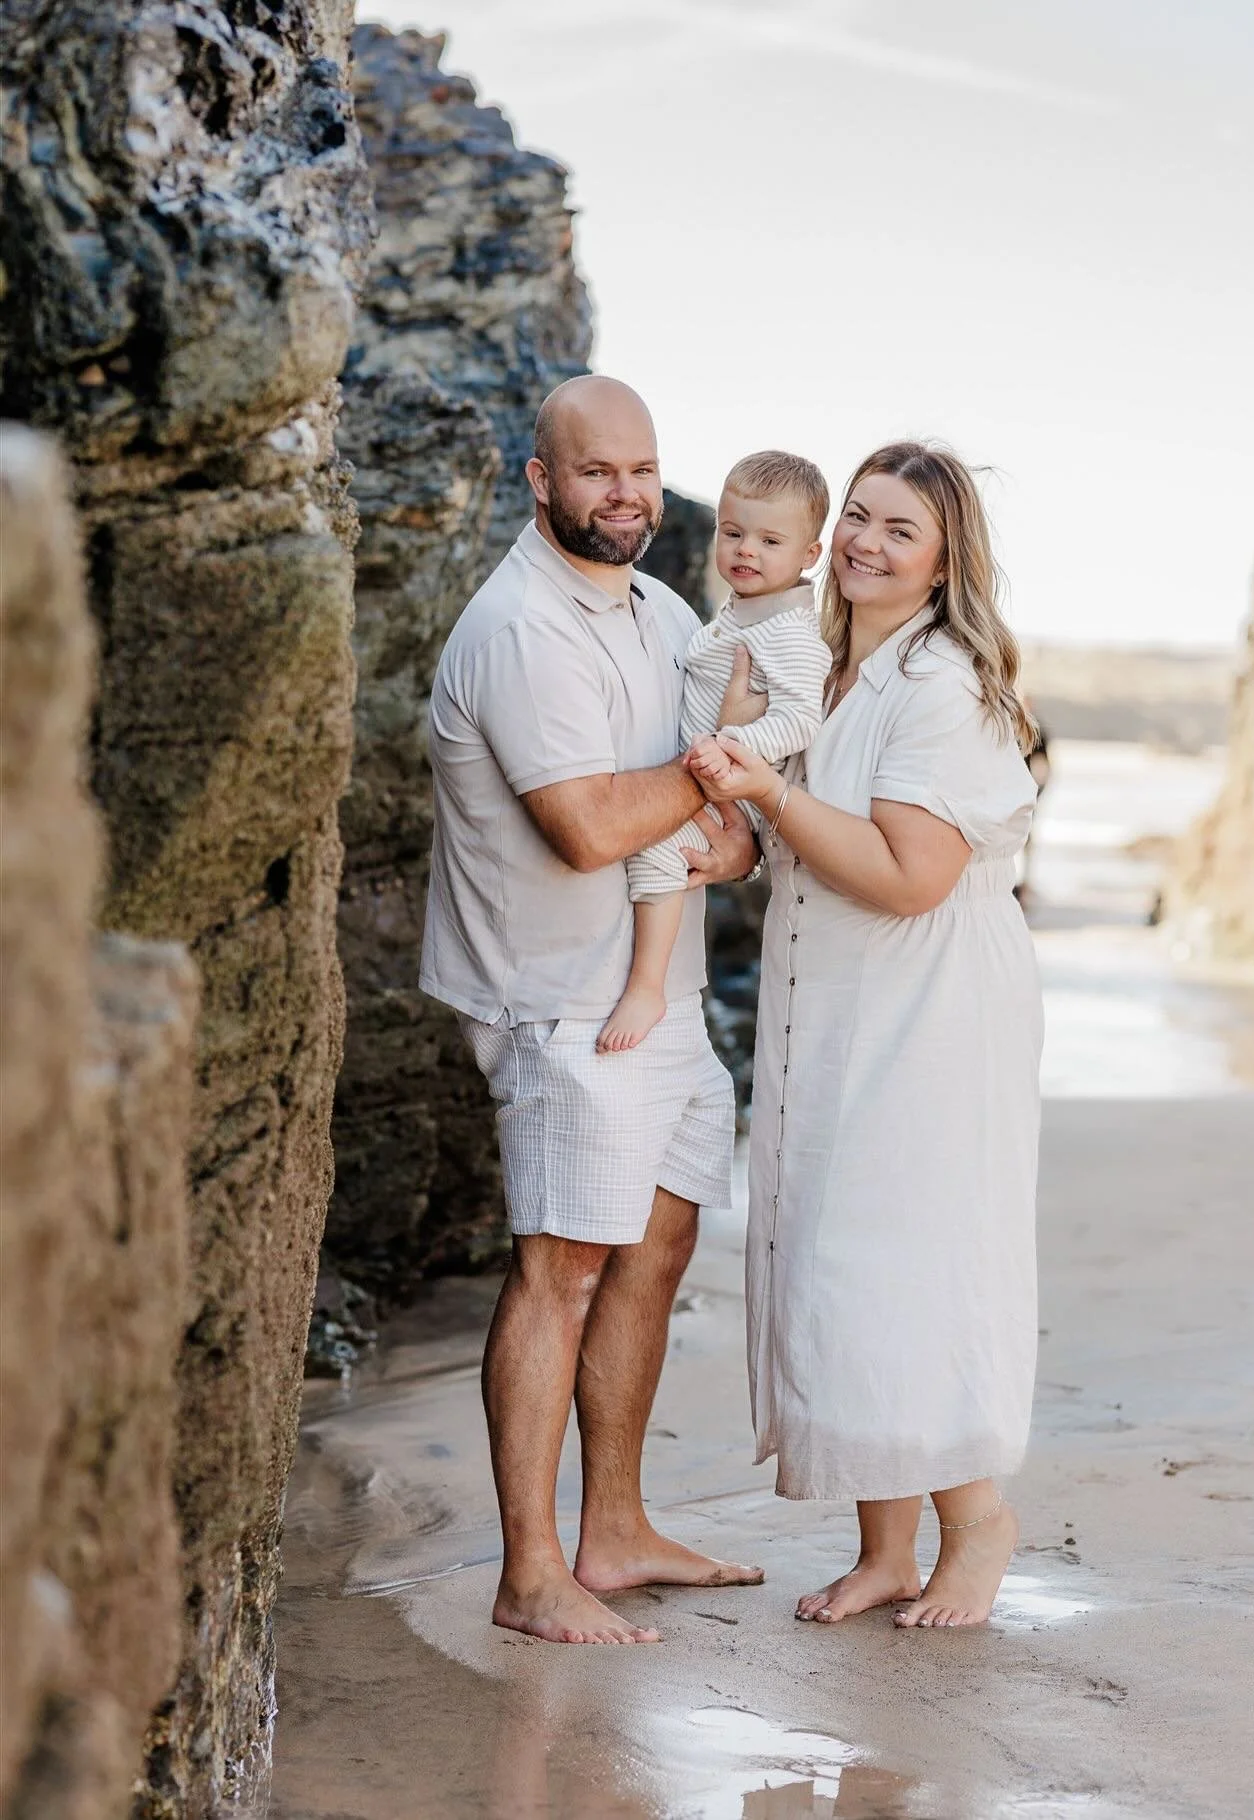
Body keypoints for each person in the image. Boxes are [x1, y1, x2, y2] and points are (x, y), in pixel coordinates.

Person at [419, 375, 764, 1645]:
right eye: (595, 471)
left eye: (640, 469)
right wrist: (697, 791)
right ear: (541, 481)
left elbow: (720, 824)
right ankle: (529, 1570)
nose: (624, 493)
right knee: (558, 1270)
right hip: (556, 1006)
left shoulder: (663, 606)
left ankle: (613, 1529)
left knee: (656, 1248)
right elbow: (586, 829)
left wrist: (719, 829)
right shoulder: (518, 628)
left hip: (661, 995)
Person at [689, 440, 1043, 1630]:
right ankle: (884, 1544)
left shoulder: (938, 682)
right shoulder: (830, 663)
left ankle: (976, 1519)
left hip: (928, 1009)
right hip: (834, 995)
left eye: (899, 527)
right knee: (834, 1255)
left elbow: (909, 876)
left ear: (945, 562)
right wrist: (740, 828)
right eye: (856, 517)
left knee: (905, 1256)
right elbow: (798, 837)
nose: (863, 542)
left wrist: (770, 798)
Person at [597, 450, 832, 1053]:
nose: (746, 550)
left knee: (657, 850)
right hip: (707, 772)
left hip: (735, 790)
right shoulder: (741, 614)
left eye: (769, 540)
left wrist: (735, 746)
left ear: (810, 556)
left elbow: (801, 717)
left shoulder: (791, 635)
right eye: (733, 533)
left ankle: (648, 985)